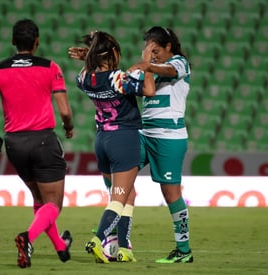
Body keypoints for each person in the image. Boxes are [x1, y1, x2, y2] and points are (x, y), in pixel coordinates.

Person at [0, 19, 74, 268]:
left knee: (39, 199)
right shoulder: (50, 67)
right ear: (37, 42)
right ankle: (27, 238)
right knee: (53, 204)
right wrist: (68, 127)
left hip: (14, 144)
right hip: (43, 140)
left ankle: (60, 247)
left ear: (13, 41)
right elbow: (65, 111)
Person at [68, 31, 155, 263]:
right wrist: (148, 65)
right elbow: (148, 90)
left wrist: (89, 58)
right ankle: (98, 239)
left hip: (101, 141)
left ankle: (124, 248)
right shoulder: (118, 78)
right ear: (113, 53)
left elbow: (95, 73)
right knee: (118, 197)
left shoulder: (83, 77)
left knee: (128, 193)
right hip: (124, 139)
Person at [129, 26, 194, 264]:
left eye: (156, 50)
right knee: (118, 174)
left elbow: (166, 70)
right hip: (143, 133)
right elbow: (127, 80)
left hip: (169, 136)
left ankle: (184, 249)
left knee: (171, 193)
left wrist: (147, 64)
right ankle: (113, 234)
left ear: (168, 47)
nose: (152, 54)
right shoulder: (150, 69)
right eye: (148, 51)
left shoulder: (179, 63)